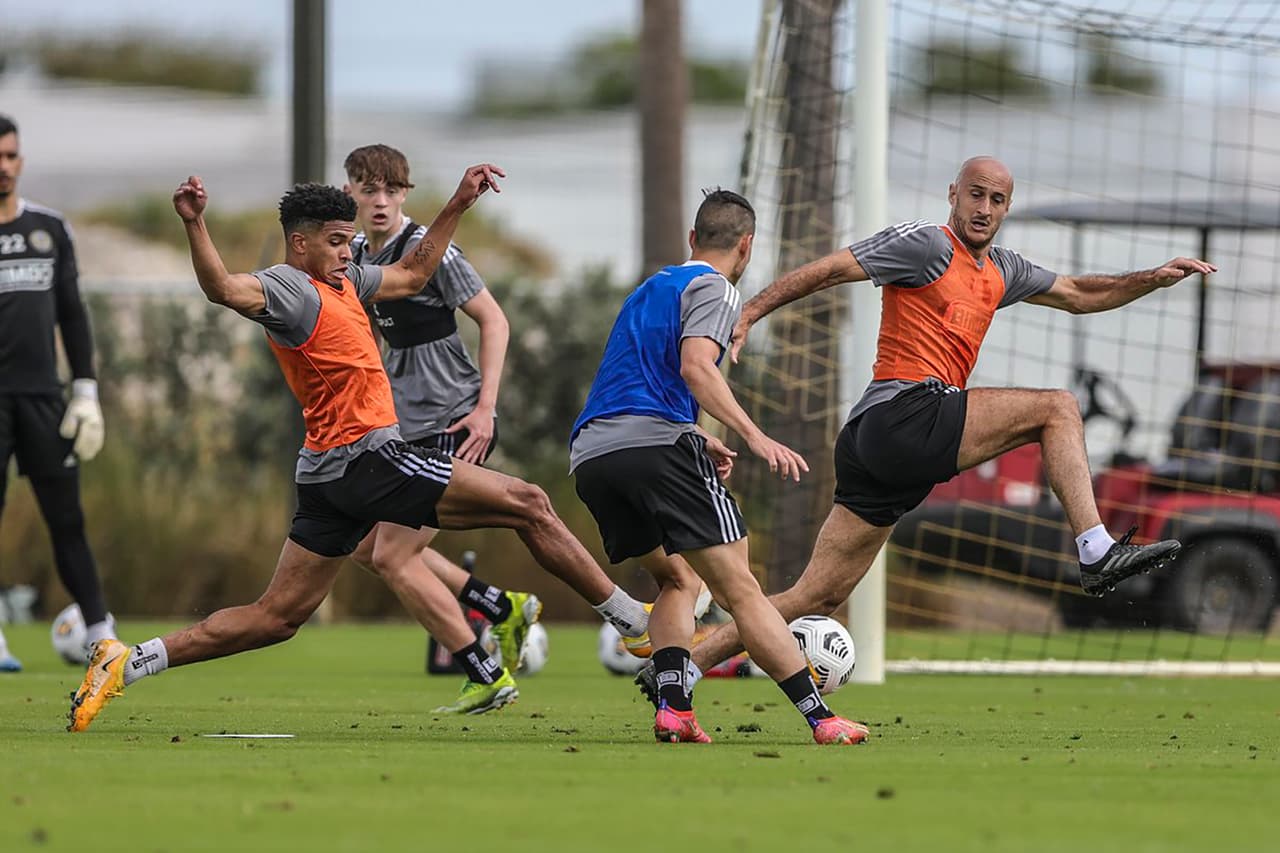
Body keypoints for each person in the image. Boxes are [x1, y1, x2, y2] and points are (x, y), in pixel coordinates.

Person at [68, 166, 650, 731]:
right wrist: (195, 223)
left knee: (276, 618)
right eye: (338, 242)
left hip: (326, 475)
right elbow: (222, 287)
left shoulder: (346, 279)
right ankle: (629, 619)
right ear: (300, 243)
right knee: (528, 501)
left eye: (350, 241)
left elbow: (415, 276)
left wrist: (456, 205)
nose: (350, 251)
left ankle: (126, 661)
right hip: (366, 459)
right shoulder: (288, 287)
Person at [638, 156, 1209, 695]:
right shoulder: (926, 244)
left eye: (998, 199)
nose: (985, 208)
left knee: (818, 593)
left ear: (1007, 209)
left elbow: (1082, 293)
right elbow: (833, 268)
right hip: (900, 415)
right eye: (976, 194)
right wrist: (752, 312)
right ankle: (1094, 550)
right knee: (1056, 406)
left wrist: (1152, 279)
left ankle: (685, 667)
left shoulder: (1003, 269)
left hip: (883, 446)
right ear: (953, 196)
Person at [571, 189, 868, 745]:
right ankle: (821, 719)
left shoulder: (649, 288)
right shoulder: (716, 287)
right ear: (747, 246)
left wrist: (697, 438)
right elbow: (695, 367)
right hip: (654, 447)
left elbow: (639, 379)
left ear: (692, 238)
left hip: (594, 455)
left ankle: (675, 711)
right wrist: (754, 435)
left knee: (677, 579)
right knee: (741, 591)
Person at [341, 144, 538, 672]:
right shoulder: (355, 254)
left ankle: (483, 672)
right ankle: (504, 607)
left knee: (391, 554)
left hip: (454, 419)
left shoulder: (433, 251)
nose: (380, 200)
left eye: (391, 190)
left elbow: (495, 322)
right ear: (350, 194)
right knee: (365, 548)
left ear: (406, 193)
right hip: (399, 427)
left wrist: (485, 409)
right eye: (369, 189)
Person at [0, 114, 115, 672]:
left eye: (10, 155)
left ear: (20, 161)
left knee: (67, 520)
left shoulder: (49, 229)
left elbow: (72, 314)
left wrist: (86, 391)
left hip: (44, 399)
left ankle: (100, 631)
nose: (3, 166)